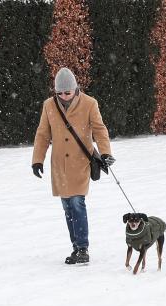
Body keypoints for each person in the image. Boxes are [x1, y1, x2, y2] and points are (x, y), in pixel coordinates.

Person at [32, 67, 114, 265]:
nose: (63, 96)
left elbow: (99, 129)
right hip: (59, 164)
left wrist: (105, 152)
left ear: (76, 89)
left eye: (67, 92)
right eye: (59, 93)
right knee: (67, 207)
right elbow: (43, 134)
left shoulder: (89, 103)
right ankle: (76, 247)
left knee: (77, 203)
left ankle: (83, 248)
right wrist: (37, 160)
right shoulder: (49, 105)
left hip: (80, 163)